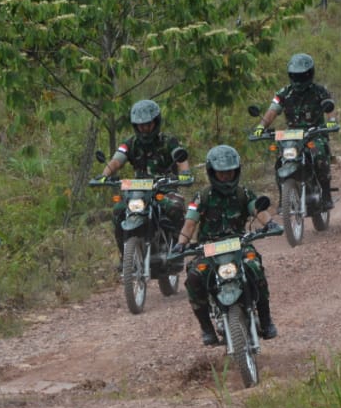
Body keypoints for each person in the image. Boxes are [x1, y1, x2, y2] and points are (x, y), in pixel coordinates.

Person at [172, 145, 280, 345]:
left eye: (229, 172)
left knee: (255, 268)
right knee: (194, 277)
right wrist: (181, 244)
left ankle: (266, 320)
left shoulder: (243, 193)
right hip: (209, 248)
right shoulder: (202, 197)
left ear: (236, 171)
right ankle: (207, 328)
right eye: (221, 173)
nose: (225, 176)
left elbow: (257, 210)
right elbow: (190, 222)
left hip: (239, 244)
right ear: (212, 172)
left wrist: (270, 223)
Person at [99, 99, 191, 251]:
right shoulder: (130, 143)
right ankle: (124, 255)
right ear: (136, 126)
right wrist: (104, 175)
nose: (145, 129)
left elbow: (181, 158)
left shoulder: (168, 141)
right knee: (118, 210)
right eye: (141, 125)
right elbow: (117, 160)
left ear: (156, 122)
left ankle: (177, 247)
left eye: (148, 124)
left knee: (175, 206)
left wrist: (185, 173)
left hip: (164, 188)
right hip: (138, 190)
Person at [252, 53, 340, 210]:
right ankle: (283, 198)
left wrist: (332, 122)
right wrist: (261, 127)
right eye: (296, 75)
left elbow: (330, 107)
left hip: (315, 132)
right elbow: (272, 111)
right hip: (292, 134)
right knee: (280, 161)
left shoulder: (319, 91)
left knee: (319, 156)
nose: (299, 79)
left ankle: (326, 194)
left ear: (310, 73)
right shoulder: (284, 93)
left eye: (303, 75)